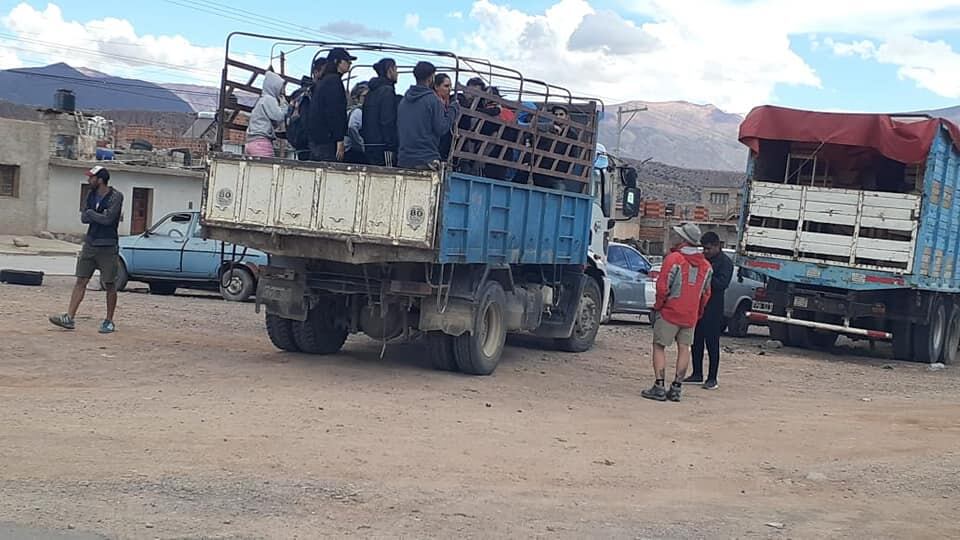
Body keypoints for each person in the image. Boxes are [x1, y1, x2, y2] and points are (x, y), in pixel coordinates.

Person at [642, 223, 713, 403]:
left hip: (669, 312)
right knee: (685, 348)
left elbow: (663, 286)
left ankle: (659, 386)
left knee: (659, 346)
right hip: (690, 315)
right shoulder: (706, 266)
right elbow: (706, 294)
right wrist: (698, 312)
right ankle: (676, 387)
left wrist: (659, 306)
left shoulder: (674, 259)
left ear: (683, 240)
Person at [49, 166, 124, 334]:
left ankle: (109, 320)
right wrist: (95, 214)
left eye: (91, 178)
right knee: (81, 280)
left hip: (108, 246)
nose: (88, 180)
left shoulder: (116, 196)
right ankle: (69, 317)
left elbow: (108, 219)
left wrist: (92, 213)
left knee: (110, 283)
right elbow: (84, 217)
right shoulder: (90, 195)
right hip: (90, 243)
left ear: (100, 180)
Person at [686, 232, 733, 389]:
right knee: (696, 340)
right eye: (703, 249)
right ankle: (697, 373)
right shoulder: (702, 260)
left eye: (708, 248)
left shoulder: (725, 263)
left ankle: (712, 378)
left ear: (717, 246)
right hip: (698, 305)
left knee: (712, 343)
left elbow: (721, 284)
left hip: (714, 307)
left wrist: (706, 278)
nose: (705, 252)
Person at [397, 61, 458, 170]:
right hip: (426, 159)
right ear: (431, 78)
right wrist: (453, 110)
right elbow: (441, 128)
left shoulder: (404, 100)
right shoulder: (433, 100)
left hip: (404, 159)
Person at [307, 47, 356, 162]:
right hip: (327, 141)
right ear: (336, 62)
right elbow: (334, 112)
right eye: (347, 61)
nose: (350, 64)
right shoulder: (334, 81)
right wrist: (339, 139)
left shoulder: (323, 81)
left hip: (316, 139)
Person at [362, 58, 401, 166]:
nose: (397, 74)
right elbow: (387, 121)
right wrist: (392, 144)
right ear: (390, 71)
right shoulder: (387, 91)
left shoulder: (371, 92)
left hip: (370, 145)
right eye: (396, 69)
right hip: (384, 147)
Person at [287, 58, 325, 160]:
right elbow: (307, 119)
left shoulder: (296, 94)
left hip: (298, 139)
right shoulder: (310, 94)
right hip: (309, 142)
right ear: (316, 73)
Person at [244, 70, 287, 157]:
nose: (281, 92)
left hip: (252, 143)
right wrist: (285, 106)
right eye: (280, 88)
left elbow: (273, 122)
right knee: (268, 170)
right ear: (274, 87)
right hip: (261, 143)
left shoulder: (262, 100)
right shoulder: (269, 99)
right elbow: (279, 116)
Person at [345, 82, 369, 164]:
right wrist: (361, 143)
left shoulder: (349, 110)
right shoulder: (358, 111)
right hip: (353, 151)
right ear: (357, 98)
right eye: (364, 96)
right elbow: (352, 127)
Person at [434, 73, 454, 160]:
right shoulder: (434, 102)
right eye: (446, 86)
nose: (449, 89)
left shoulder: (447, 102)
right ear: (436, 87)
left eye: (450, 86)